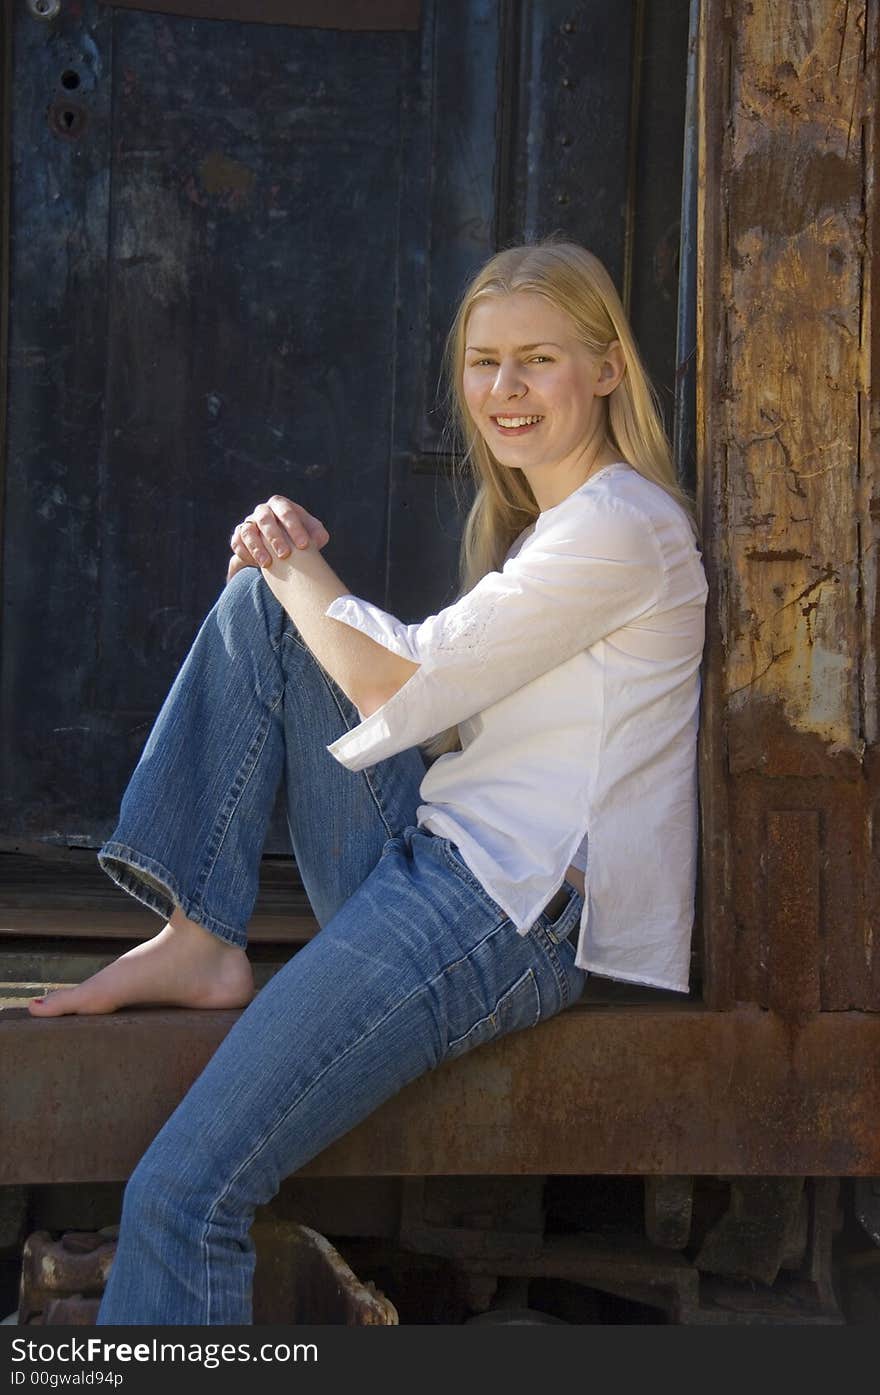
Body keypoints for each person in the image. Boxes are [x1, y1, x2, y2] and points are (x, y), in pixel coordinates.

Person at [28, 239, 708, 1324]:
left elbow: (396, 683)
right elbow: (410, 695)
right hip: (430, 863)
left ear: (608, 369)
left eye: (538, 359)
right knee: (263, 609)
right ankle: (203, 937)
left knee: (181, 1194)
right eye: (485, 363)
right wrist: (286, 577)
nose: (506, 389)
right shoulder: (556, 529)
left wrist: (291, 553)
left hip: (502, 912)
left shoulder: (621, 528)